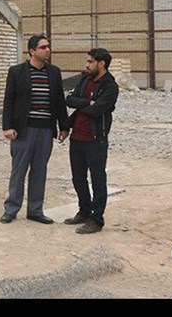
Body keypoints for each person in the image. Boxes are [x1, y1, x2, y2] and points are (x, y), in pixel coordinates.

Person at [0, 34, 69, 225]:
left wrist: (64, 126)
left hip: (45, 130)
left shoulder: (54, 72)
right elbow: (9, 100)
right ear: (32, 51)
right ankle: (11, 209)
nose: (47, 50)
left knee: (39, 170)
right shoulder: (17, 72)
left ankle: (35, 210)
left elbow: (59, 101)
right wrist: (7, 126)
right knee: (19, 170)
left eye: (48, 46)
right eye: (43, 47)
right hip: (24, 130)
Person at [60, 47, 118, 234]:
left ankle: (96, 219)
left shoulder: (110, 86)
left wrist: (84, 104)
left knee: (98, 180)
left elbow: (97, 110)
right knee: (78, 178)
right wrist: (86, 102)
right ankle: (84, 211)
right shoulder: (85, 79)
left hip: (95, 140)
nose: (86, 65)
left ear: (101, 63)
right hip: (77, 138)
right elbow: (69, 99)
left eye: (90, 61)